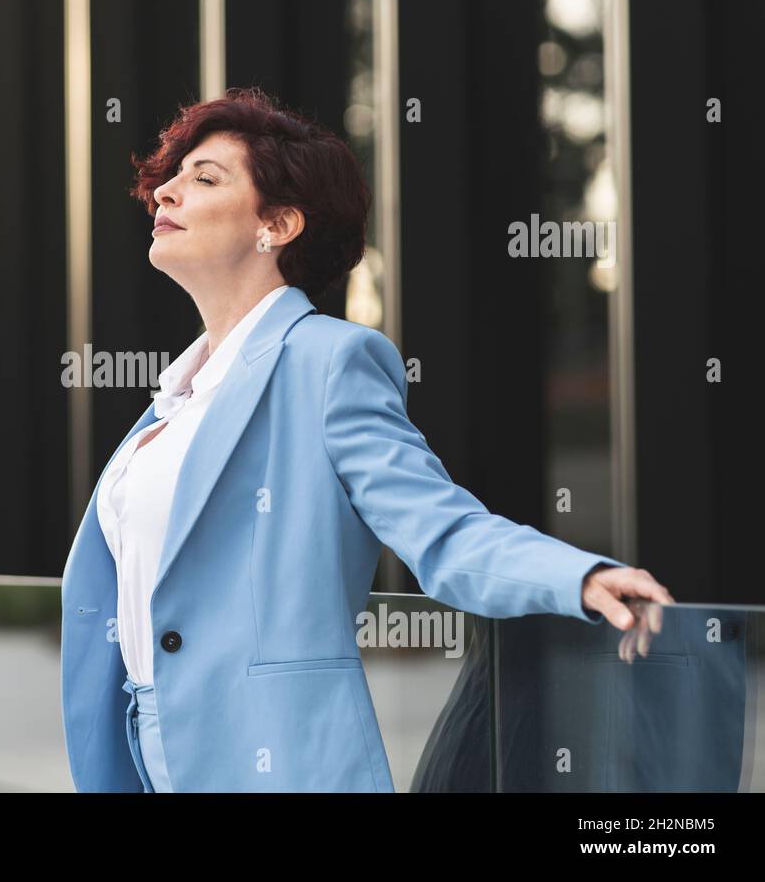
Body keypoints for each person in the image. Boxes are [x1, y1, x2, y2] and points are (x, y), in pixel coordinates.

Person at [59, 86, 674, 793]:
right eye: (171, 177)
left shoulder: (330, 362)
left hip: (277, 764)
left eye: (204, 178)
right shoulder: (172, 404)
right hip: (140, 762)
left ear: (278, 224)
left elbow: (440, 527)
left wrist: (579, 578)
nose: (166, 191)